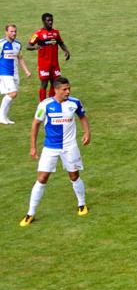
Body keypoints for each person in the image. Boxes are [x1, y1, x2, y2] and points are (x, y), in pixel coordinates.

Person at [21, 76, 91, 226]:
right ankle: (30, 213)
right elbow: (36, 125)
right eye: (65, 89)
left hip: (70, 146)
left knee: (74, 176)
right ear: (56, 90)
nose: (68, 91)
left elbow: (83, 117)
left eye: (69, 89)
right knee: (42, 178)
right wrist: (33, 147)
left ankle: (81, 204)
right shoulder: (44, 105)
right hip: (50, 147)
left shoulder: (75, 102)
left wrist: (87, 133)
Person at [26, 13, 71, 102]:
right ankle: (42, 103)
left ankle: (51, 101)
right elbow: (28, 46)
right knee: (44, 83)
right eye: (48, 20)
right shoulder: (38, 34)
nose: (50, 22)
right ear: (43, 21)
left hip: (54, 64)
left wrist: (66, 51)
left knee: (55, 83)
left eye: (51, 20)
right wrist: (35, 47)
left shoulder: (55, 33)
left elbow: (61, 43)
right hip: (44, 64)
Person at [1, 24, 32, 124]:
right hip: (4, 73)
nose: (14, 33)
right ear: (6, 32)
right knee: (13, 93)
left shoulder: (17, 44)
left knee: (10, 95)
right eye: (11, 31)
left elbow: (20, 58)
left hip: (15, 73)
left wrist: (26, 71)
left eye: (15, 31)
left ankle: (5, 117)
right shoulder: (1, 44)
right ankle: (1, 116)